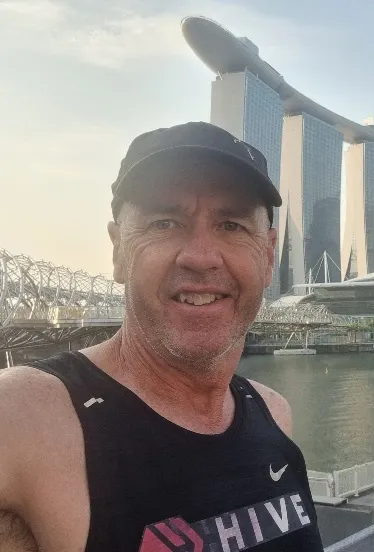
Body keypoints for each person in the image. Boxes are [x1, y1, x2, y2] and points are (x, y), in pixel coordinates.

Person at [0, 122, 325, 551]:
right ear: (118, 250)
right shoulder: (26, 417)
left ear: (268, 255)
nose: (200, 257)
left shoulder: (272, 412)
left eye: (231, 225)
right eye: (164, 222)